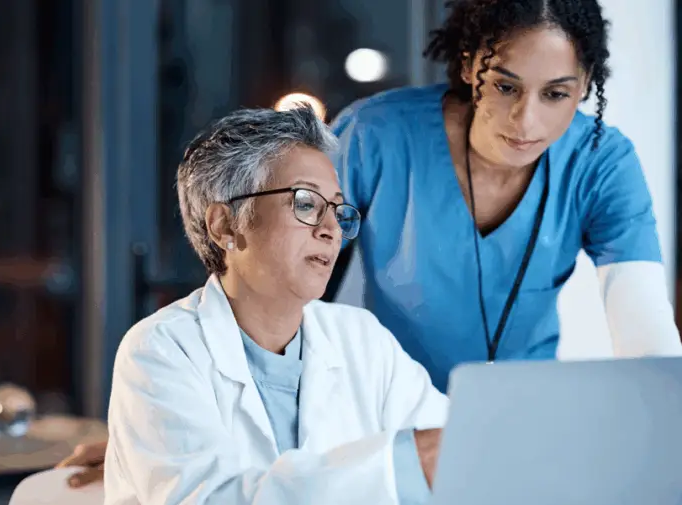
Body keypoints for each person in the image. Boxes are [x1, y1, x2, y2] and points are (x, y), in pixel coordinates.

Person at [59, 0, 682, 486]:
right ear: (469, 66)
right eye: (506, 87)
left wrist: (657, 434)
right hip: (374, 420)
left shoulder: (601, 163)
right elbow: (282, 270)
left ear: (586, 86)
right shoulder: (380, 136)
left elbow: (649, 343)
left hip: (498, 424)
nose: (528, 123)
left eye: (558, 94)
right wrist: (166, 428)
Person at [96, 105, 448, 504]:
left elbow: (456, 455)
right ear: (225, 225)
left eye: (338, 209)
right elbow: (210, 498)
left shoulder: (362, 338)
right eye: (305, 203)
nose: (331, 229)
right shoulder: (161, 350)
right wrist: (395, 467)